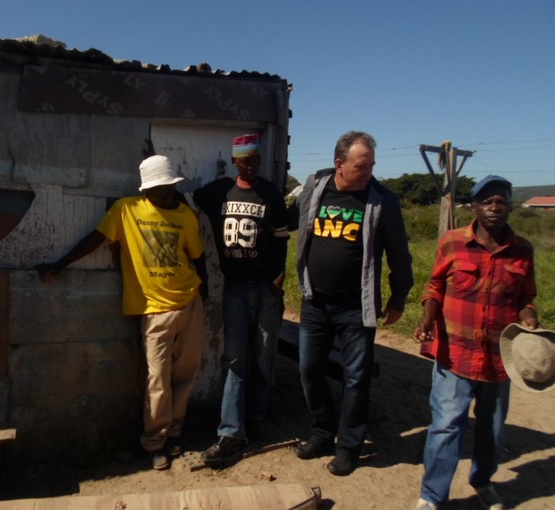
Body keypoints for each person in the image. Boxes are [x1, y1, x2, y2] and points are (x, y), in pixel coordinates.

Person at [37, 155, 208, 471]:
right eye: (161, 187)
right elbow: (96, 239)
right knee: (157, 379)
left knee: (187, 372)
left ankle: (175, 433)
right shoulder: (126, 210)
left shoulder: (185, 214)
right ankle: (155, 442)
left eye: (171, 186)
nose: (167, 192)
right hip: (154, 311)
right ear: (146, 189)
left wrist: (204, 296)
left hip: (189, 302)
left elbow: (197, 257)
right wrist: (59, 264)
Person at [413, 175, 540, 510]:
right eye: (487, 200)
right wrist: (427, 318)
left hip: (501, 359)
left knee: (492, 431)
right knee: (445, 426)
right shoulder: (453, 242)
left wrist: (529, 317)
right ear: (475, 207)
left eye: (501, 200)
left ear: (510, 205)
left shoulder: (523, 250)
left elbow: (527, 297)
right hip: (455, 353)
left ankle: (482, 481)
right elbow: (434, 286)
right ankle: (432, 496)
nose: (495, 206)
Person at [292, 131, 413, 476]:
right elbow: (294, 221)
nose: (369, 172)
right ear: (339, 164)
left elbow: (399, 254)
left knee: (356, 378)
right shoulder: (316, 186)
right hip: (314, 302)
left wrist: (398, 297)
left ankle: (349, 447)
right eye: (362, 166)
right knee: (309, 370)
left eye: (372, 165)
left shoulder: (381, 199)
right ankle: (322, 432)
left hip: (357, 308)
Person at [190, 133, 290, 466]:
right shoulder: (218, 191)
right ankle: (231, 432)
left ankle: (256, 421)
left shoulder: (272, 193)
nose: (250, 166)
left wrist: (279, 276)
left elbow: (281, 240)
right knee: (235, 361)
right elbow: (184, 199)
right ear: (234, 161)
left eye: (255, 160)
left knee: (263, 357)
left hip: (266, 289)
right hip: (234, 288)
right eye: (244, 160)